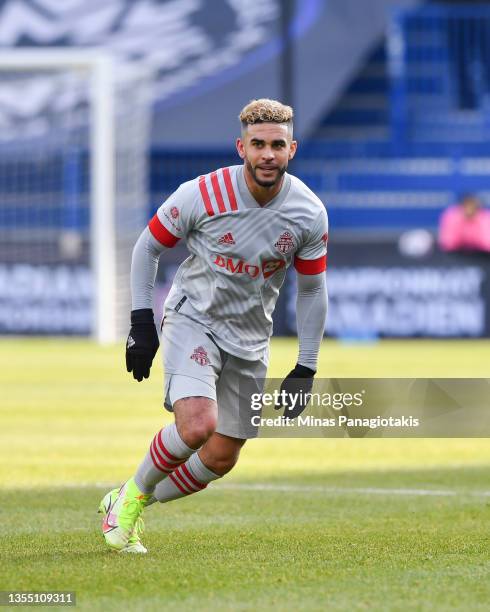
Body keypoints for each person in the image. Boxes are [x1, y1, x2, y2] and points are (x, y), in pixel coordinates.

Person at [99, 98, 329, 553]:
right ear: (240, 146)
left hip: (251, 337)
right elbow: (147, 247)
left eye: (277, 145)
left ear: (292, 149)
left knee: (222, 456)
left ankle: (130, 499)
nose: (267, 154)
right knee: (198, 424)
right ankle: (128, 502)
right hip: (194, 319)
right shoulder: (201, 194)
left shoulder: (309, 212)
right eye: (258, 144)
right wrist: (141, 322)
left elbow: (311, 290)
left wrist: (306, 366)